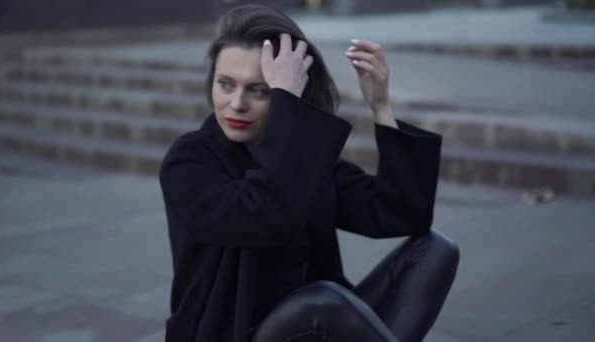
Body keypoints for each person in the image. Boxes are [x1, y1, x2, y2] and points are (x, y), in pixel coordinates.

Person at [159, 4, 459, 342]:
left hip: (317, 329)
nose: (237, 104)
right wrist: (287, 106)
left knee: (435, 250)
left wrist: (381, 108)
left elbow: (400, 215)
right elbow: (262, 214)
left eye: (260, 90)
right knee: (321, 303)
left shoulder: (304, 157)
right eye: (225, 84)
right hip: (236, 334)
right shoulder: (188, 161)